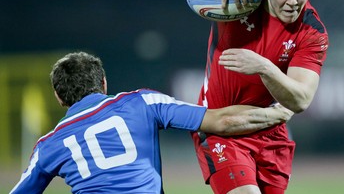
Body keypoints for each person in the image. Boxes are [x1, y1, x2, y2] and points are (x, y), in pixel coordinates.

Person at [158, 0, 329, 194]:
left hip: (269, 129)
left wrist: (264, 67)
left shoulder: (311, 32)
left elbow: (301, 100)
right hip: (221, 125)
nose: (293, 1)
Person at [10, 51, 293, 194]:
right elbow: (222, 121)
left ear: (59, 97)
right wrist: (279, 112)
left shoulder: (47, 145)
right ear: (104, 82)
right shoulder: (142, 102)